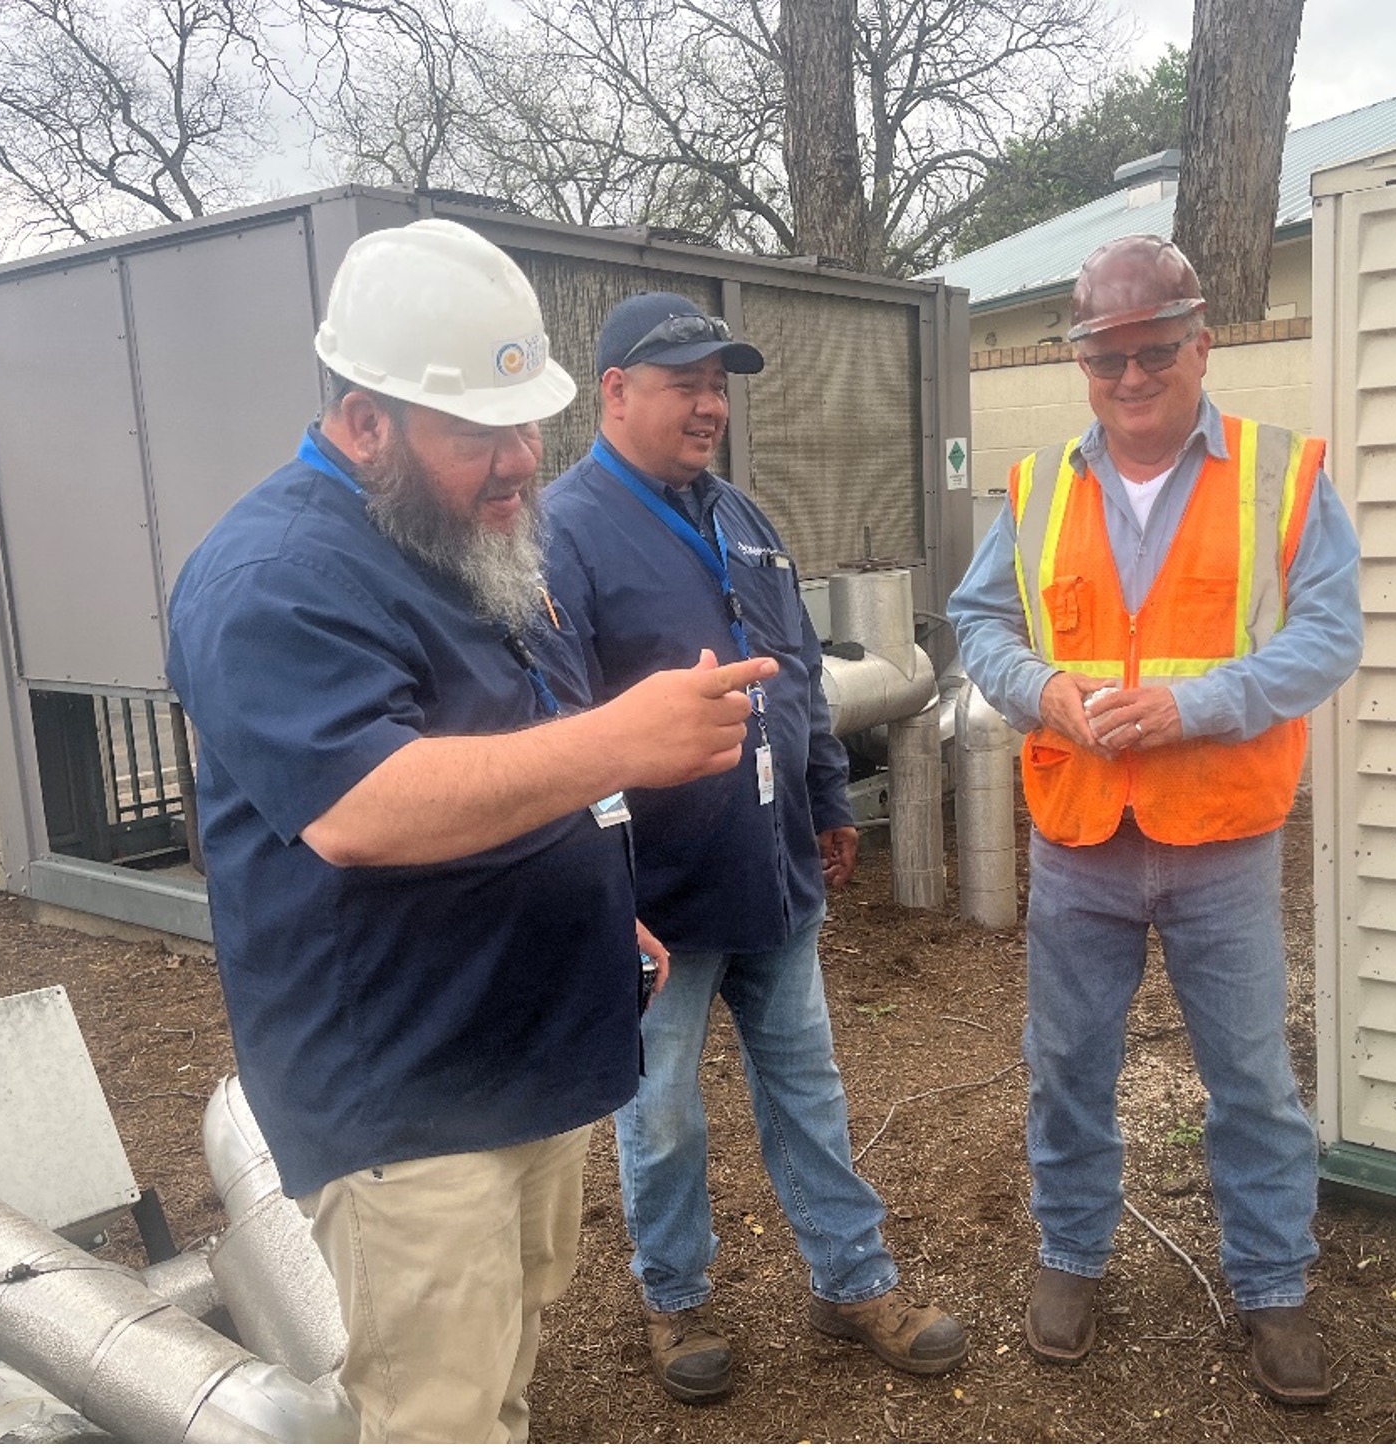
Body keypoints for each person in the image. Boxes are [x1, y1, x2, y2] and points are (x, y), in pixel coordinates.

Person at [166, 222, 776, 1444]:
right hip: (406, 1100)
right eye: (475, 433)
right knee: (430, 1415)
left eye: (526, 423)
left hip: (520, 1058)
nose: (516, 462)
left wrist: (607, 887)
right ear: (363, 421)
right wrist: (623, 743)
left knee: (500, 1380)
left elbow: (509, 736)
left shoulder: (461, 534)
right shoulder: (273, 576)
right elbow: (363, 805)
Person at [947, 235, 1363, 1406]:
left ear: (1199, 342)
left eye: (1152, 351)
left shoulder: (1280, 477)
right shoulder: (1035, 491)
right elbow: (977, 625)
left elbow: (1325, 638)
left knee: (1249, 1078)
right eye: (1105, 358)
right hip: (1078, 837)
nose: (1130, 378)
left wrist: (1195, 703)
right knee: (1066, 1065)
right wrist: (1045, 692)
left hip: (1220, 838)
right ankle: (1071, 1257)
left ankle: (1272, 1283)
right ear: (1080, 360)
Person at [544, 292, 969, 1404]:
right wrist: (598, 889)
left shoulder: (742, 515)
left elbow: (798, 682)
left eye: (717, 383)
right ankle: (675, 1292)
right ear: (615, 393)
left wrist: (828, 797)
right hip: (658, 898)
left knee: (809, 1093)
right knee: (665, 1113)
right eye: (684, 381)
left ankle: (851, 1278)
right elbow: (553, 732)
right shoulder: (563, 534)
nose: (708, 404)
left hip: (770, 868)